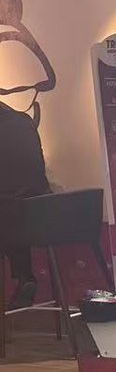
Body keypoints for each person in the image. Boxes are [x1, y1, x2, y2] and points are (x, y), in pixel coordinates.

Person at [0, 101, 49, 307]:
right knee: (13, 210)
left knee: (8, 211)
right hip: (44, 211)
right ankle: (24, 276)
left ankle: (25, 277)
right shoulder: (24, 120)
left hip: (12, 211)